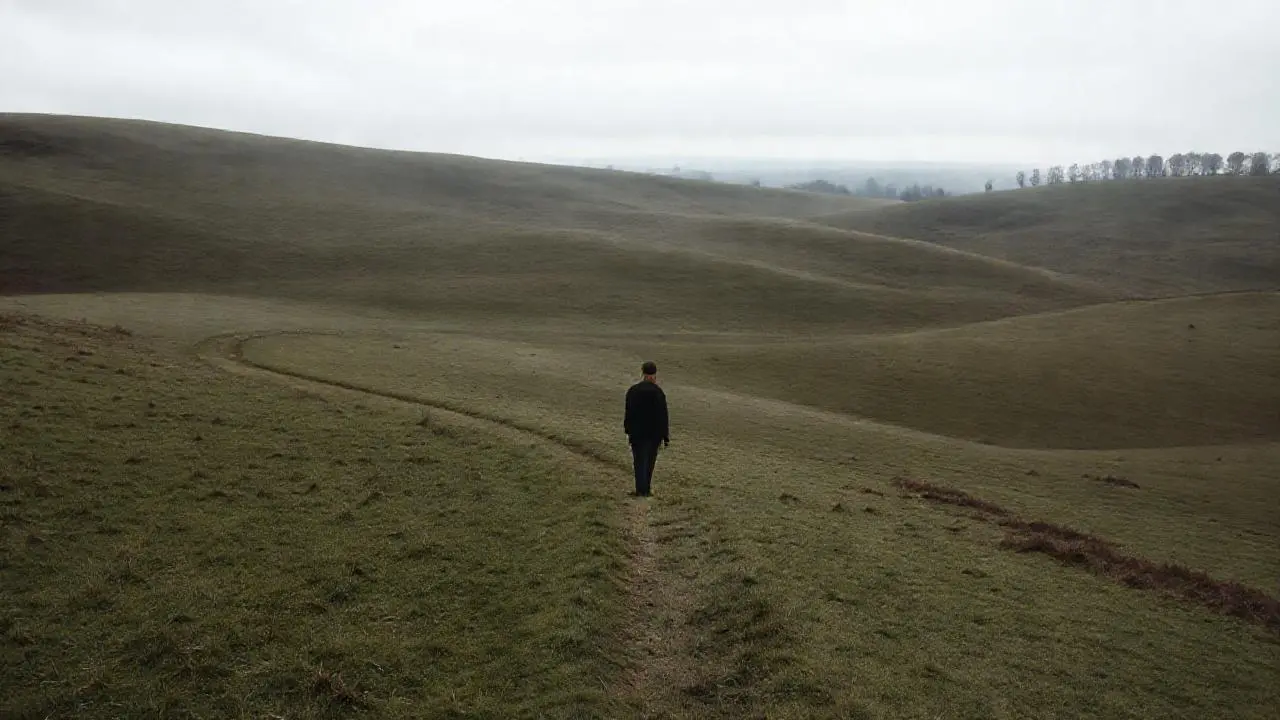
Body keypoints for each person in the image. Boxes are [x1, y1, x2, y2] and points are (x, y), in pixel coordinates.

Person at [623, 360, 669, 497]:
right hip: (654, 434)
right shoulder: (658, 392)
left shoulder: (633, 391)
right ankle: (647, 489)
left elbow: (629, 412)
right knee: (650, 461)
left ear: (643, 373)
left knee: (639, 461)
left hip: (637, 433)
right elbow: (663, 415)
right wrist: (665, 435)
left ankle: (640, 489)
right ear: (654, 374)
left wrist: (628, 429)